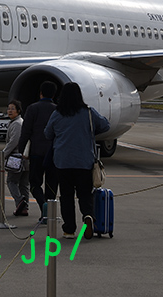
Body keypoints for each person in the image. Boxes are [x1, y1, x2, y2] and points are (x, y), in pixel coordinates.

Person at [44, 81, 109, 240]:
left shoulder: (57, 114)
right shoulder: (87, 112)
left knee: (66, 196)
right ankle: (88, 215)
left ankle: (69, 230)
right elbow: (105, 125)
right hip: (84, 161)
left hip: (62, 161)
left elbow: (47, 134)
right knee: (85, 193)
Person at [18, 80, 59, 224]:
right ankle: (50, 213)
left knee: (34, 183)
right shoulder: (57, 109)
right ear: (54, 94)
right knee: (52, 184)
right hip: (53, 153)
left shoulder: (32, 108)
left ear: (40, 93)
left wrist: (21, 148)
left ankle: (44, 208)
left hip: (36, 152)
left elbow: (26, 131)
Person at [1, 99, 29, 215]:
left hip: (16, 159)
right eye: (8, 108)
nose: (10, 111)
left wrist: (3, 154)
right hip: (25, 159)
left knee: (11, 181)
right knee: (23, 184)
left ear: (18, 110)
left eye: (13, 109)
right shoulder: (19, 122)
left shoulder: (17, 124)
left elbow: (13, 142)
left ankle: (20, 201)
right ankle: (24, 208)